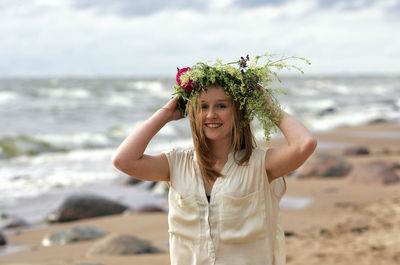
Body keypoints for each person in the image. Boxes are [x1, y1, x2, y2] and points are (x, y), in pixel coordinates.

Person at [112, 54, 317, 265]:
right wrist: (165, 113)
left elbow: (305, 144)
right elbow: (123, 160)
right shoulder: (176, 164)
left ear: (238, 111)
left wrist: (264, 104)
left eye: (221, 106)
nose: (211, 114)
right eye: (202, 106)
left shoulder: (260, 165)